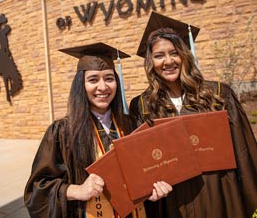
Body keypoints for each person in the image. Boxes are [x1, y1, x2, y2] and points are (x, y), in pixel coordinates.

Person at [129, 12, 257, 218]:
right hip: (173, 202)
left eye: (174, 53)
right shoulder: (143, 105)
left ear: (185, 54)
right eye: (159, 55)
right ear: (151, 61)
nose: (168, 61)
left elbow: (244, 151)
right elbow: (141, 163)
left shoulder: (217, 94)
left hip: (221, 194)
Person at [24, 42, 172, 218]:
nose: (103, 87)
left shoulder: (131, 124)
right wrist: (76, 190)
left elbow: (147, 171)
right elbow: (37, 190)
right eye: (93, 79)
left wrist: (154, 189)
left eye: (109, 78)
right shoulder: (63, 131)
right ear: (81, 85)